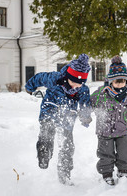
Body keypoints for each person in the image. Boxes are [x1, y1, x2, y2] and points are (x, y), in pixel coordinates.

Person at [25, 54, 92, 185]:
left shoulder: (82, 89)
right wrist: (29, 87)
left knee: (68, 146)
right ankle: (44, 155)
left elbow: (85, 104)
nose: (76, 86)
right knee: (47, 135)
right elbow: (39, 78)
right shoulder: (55, 78)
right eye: (74, 82)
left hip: (67, 119)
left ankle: (64, 175)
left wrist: (85, 117)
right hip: (49, 113)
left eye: (80, 83)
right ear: (68, 76)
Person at [90, 56, 127, 186]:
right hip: (104, 131)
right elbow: (89, 103)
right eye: (116, 81)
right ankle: (107, 174)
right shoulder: (102, 93)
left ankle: (123, 171)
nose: (119, 84)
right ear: (110, 80)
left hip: (123, 130)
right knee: (105, 154)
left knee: (124, 152)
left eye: (122, 81)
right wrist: (85, 114)